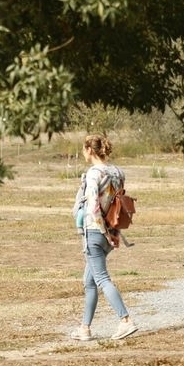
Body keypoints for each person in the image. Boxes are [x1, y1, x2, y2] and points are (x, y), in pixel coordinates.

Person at [70, 134, 138, 341]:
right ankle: (85, 328)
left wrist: (103, 232)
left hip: (96, 231)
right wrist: (114, 232)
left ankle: (125, 320)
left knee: (101, 278)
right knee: (89, 280)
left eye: (84, 149)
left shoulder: (93, 174)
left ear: (89, 150)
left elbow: (93, 206)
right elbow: (118, 204)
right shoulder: (118, 172)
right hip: (112, 229)